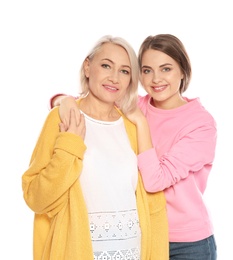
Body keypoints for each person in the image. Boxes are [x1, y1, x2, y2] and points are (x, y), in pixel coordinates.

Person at [51, 34, 217, 260]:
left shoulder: (201, 124)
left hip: (186, 243)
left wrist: (140, 122)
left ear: (183, 71)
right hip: (143, 233)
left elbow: (154, 181)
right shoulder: (135, 104)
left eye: (166, 69)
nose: (156, 79)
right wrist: (63, 100)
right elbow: (92, 99)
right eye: (147, 70)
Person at [22, 35, 169, 260]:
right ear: (88, 67)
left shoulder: (131, 125)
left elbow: (153, 204)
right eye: (106, 65)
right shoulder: (62, 118)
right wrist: (69, 146)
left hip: (133, 252)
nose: (114, 78)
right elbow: (36, 198)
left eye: (124, 71)